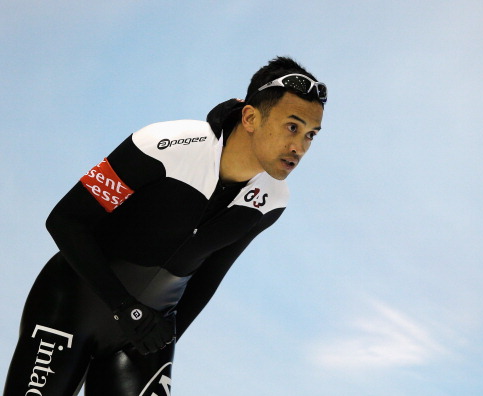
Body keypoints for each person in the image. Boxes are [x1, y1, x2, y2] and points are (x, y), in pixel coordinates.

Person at [3, 56, 327, 396]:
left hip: (144, 332)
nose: (299, 147)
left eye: (311, 135)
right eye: (293, 127)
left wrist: (164, 338)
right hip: (68, 309)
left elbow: (211, 273)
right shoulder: (164, 145)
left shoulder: (272, 199)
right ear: (249, 117)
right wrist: (124, 308)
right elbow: (66, 221)